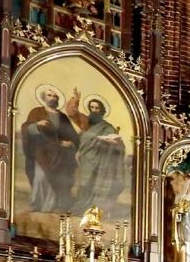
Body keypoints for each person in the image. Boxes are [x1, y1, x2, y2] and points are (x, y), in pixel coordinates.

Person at [20, 84, 80, 213]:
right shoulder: (37, 112)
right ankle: (37, 204)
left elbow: (73, 136)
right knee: (41, 177)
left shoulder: (62, 116)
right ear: (44, 97)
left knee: (59, 178)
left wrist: (70, 143)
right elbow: (26, 128)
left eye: (54, 96)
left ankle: (53, 205)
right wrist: (37, 124)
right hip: (41, 151)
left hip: (59, 153)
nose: (52, 98)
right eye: (49, 95)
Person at [72, 95, 127, 217]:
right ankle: (83, 205)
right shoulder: (87, 125)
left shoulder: (107, 127)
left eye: (97, 108)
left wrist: (105, 140)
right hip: (86, 161)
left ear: (101, 110)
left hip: (101, 162)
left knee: (94, 185)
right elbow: (82, 141)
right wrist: (79, 151)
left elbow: (119, 144)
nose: (94, 110)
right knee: (84, 185)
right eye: (92, 107)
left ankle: (93, 209)